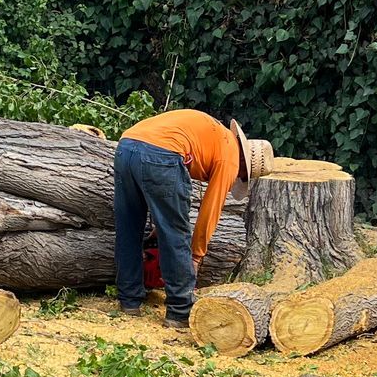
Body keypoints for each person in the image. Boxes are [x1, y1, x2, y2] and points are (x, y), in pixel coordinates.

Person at [113, 110, 271, 326]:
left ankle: (129, 300)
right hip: (162, 153)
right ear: (245, 167)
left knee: (129, 227)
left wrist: (161, 224)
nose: (238, 178)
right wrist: (196, 256)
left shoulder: (217, 136)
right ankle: (180, 310)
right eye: (243, 177)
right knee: (176, 235)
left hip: (126, 146)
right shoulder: (231, 159)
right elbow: (210, 211)